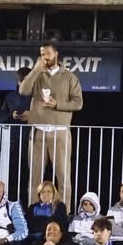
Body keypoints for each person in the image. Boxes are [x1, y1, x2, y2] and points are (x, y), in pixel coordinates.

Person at [19, 43, 83, 206]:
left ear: (56, 54)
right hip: (38, 131)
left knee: (63, 176)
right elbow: (23, 91)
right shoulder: (38, 74)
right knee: (35, 175)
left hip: (60, 132)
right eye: (42, 54)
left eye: (47, 54)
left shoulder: (69, 76)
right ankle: (33, 211)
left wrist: (57, 104)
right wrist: (35, 70)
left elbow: (78, 103)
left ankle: (64, 213)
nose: (45, 57)